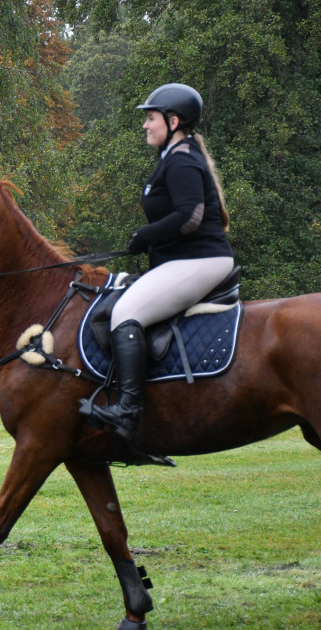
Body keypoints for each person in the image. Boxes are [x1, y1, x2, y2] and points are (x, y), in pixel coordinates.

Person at [85, 83, 234, 440]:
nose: (145, 125)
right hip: (184, 260)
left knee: (125, 314)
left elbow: (191, 217)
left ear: (173, 120)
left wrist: (146, 235)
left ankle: (129, 410)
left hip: (201, 260)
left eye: (150, 118)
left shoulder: (181, 160)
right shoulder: (172, 157)